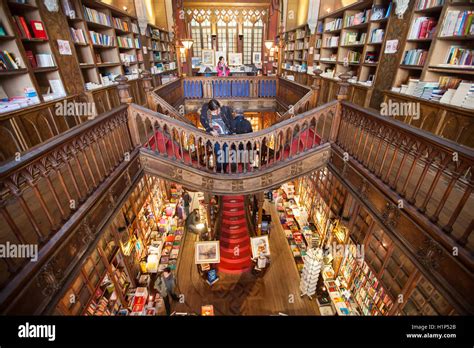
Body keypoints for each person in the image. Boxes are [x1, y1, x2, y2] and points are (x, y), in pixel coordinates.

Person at [200, 99, 234, 171]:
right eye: (214, 111)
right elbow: (202, 121)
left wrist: (232, 132)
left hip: (226, 136)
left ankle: (224, 169)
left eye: (218, 109)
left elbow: (231, 121)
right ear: (210, 110)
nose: (217, 112)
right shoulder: (205, 114)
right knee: (219, 154)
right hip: (216, 138)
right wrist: (210, 130)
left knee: (226, 154)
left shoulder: (224, 110)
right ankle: (220, 171)